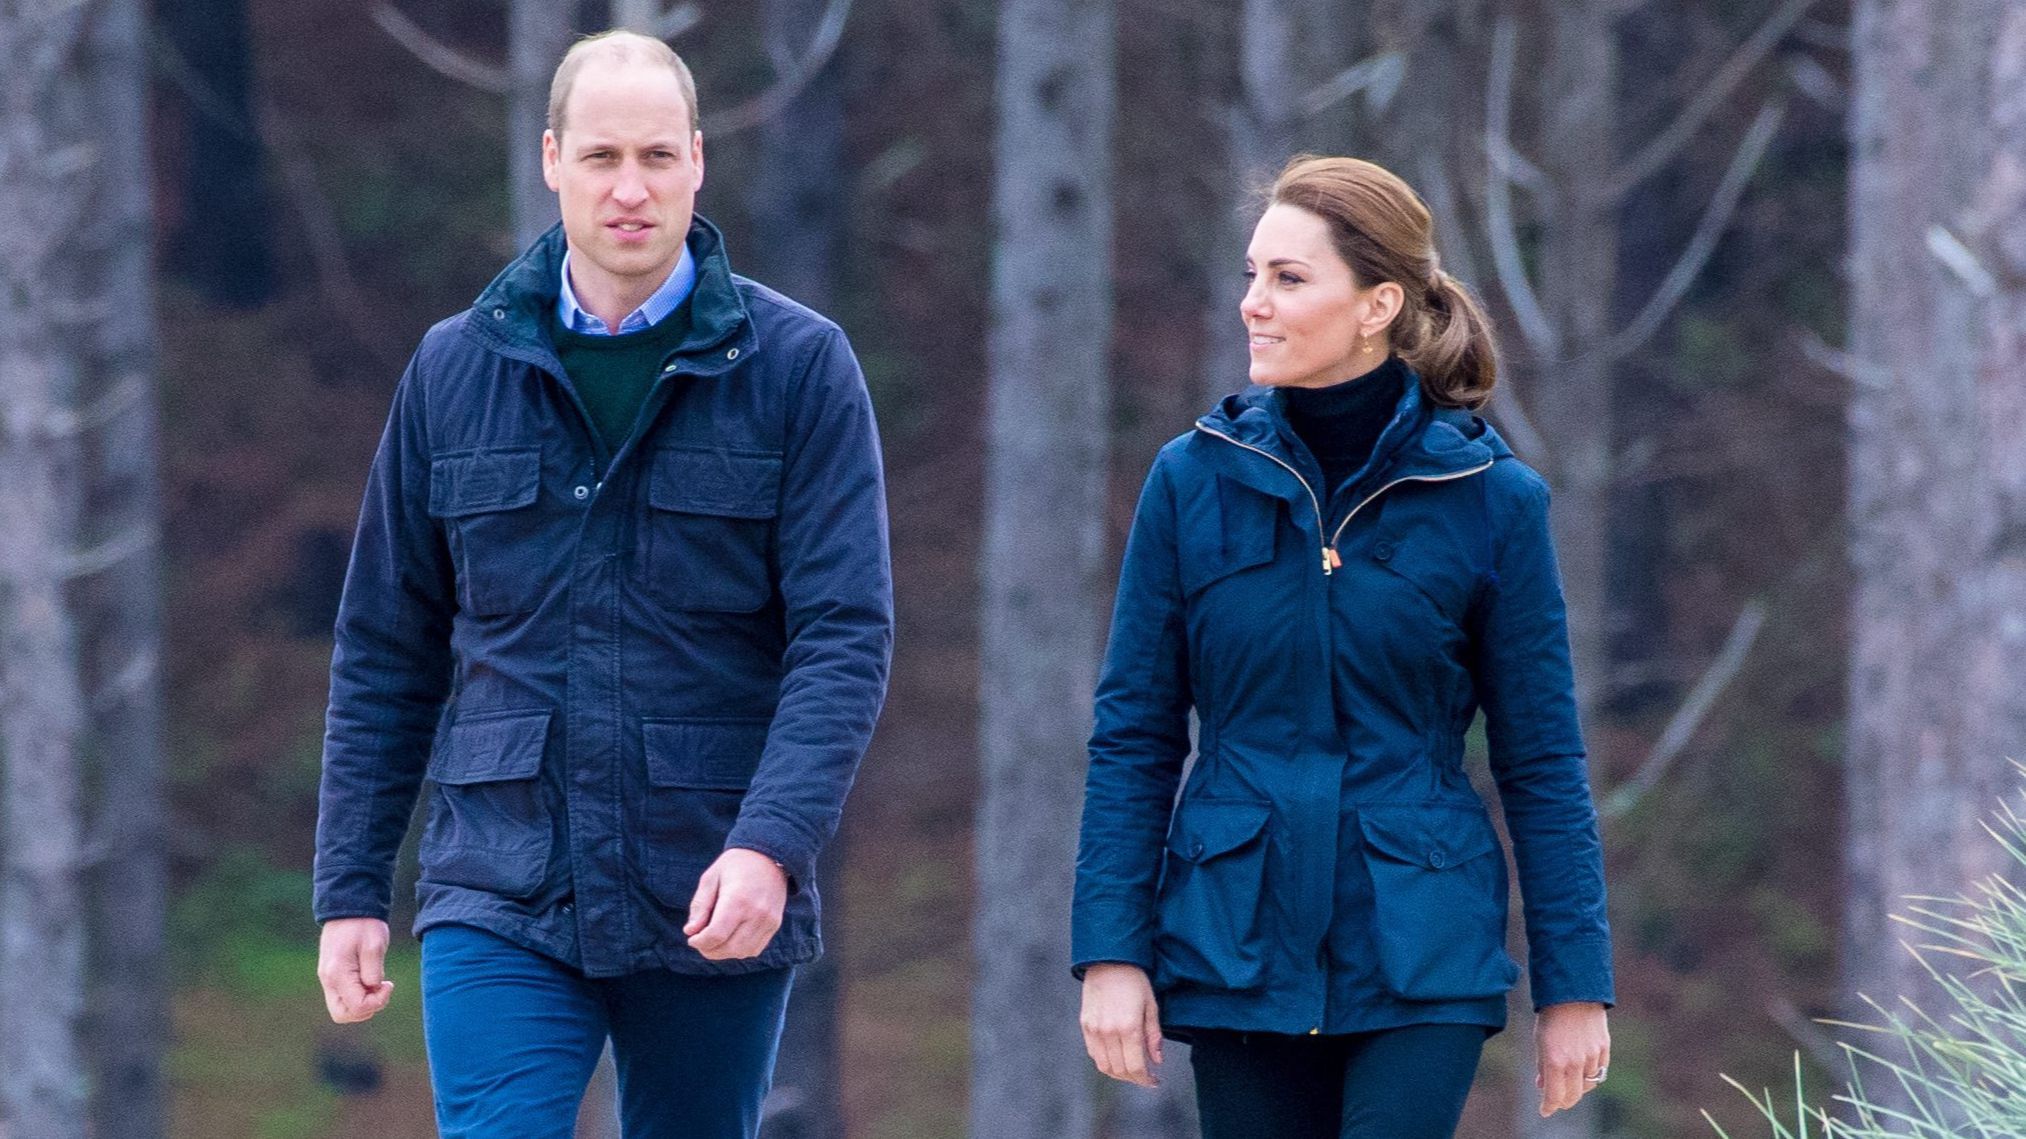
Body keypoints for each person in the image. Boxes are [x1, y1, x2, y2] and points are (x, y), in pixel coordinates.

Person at [310, 30, 892, 1139]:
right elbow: (388, 644)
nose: (631, 189)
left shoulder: (799, 368)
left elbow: (842, 636)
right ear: (551, 160)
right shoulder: (453, 369)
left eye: (658, 157)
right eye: (602, 157)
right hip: (500, 879)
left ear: (699, 163)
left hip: (711, 876)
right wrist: (349, 885)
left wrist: (771, 841)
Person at [1071, 155, 1613, 1138]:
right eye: (1251, 274)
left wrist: (1575, 984)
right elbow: (1134, 736)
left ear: (1378, 304)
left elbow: (1541, 759)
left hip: (1420, 943)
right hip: (1233, 940)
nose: (1252, 304)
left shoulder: (1492, 501)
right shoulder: (1191, 482)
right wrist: (1111, 951)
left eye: (1287, 278)